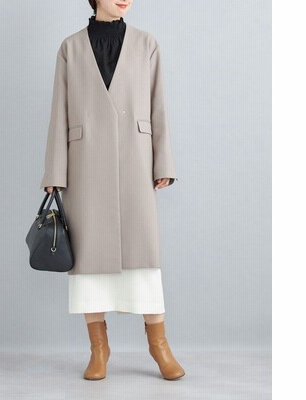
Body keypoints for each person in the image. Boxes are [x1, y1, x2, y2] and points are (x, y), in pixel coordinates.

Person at [40, 0, 185, 380]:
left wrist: (163, 163)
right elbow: (60, 111)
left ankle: (159, 346)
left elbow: (158, 106)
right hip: (85, 163)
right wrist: (54, 170)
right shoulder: (70, 47)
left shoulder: (147, 43)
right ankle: (99, 350)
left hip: (136, 160)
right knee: (89, 262)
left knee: (144, 259)